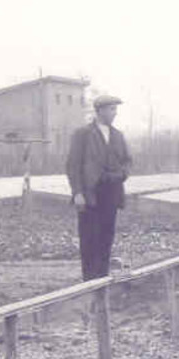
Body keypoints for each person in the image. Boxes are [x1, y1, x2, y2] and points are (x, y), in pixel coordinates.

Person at [66, 94, 132, 280]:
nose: (115, 113)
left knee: (106, 236)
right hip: (90, 194)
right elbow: (73, 165)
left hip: (112, 192)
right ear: (100, 111)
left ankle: (102, 279)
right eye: (112, 109)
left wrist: (122, 174)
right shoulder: (83, 134)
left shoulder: (118, 135)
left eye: (115, 109)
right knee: (89, 238)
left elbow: (127, 161)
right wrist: (77, 192)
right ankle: (89, 281)